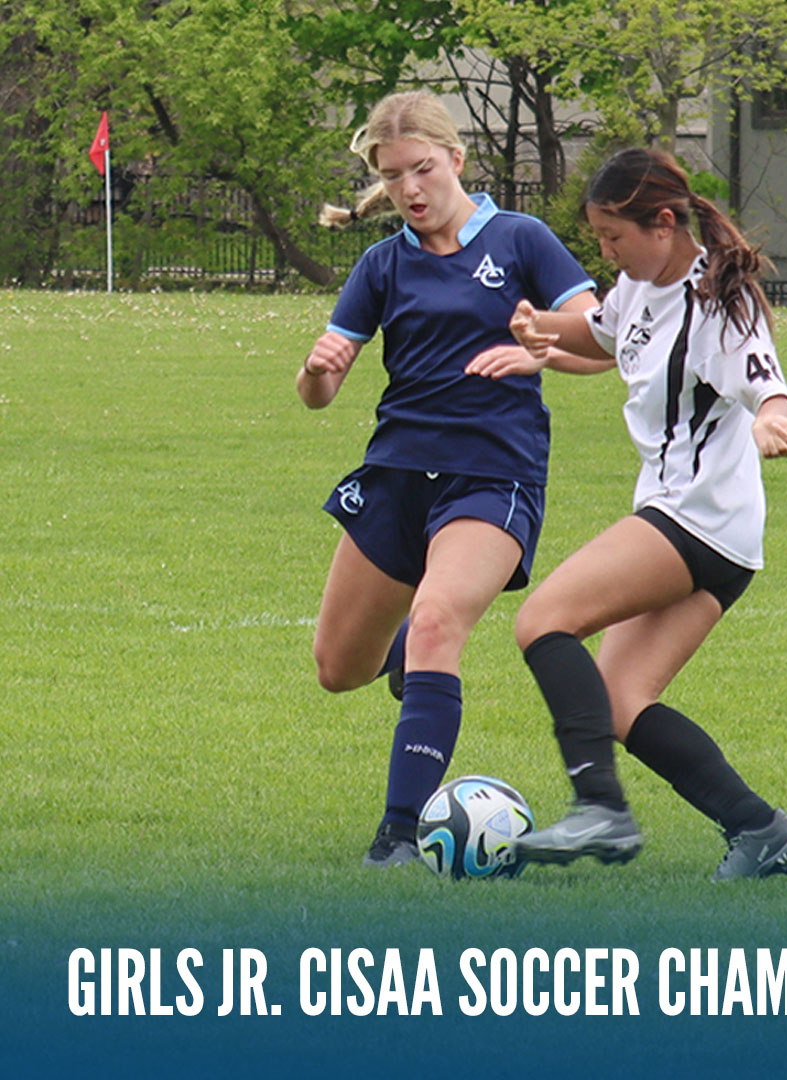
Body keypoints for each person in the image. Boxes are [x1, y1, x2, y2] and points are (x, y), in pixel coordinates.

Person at [466, 147, 787, 881]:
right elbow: (603, 336)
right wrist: (541, 340)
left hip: (695, 518)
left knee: (542, 619)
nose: (605, 252)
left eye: (613, 236)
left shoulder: (720, 302)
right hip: (718, 536)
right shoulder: (637, 284)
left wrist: (774, 421)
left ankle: (600, 809)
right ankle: (760, 829)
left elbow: (765, 383)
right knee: (620, 701)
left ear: (662, 222)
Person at [298, 91, 599, 868]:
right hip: (397, 474)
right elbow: (319, 393)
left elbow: (605, 340)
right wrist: (317, 373)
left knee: (436, 622)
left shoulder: (522, 240)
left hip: (493, 475)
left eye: (422, 169)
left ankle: (399, 834)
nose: (410, 189)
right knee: (339, 669)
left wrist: (539, 350)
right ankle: (405, 661)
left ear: (456, 160)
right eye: (394, 176)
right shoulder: (381, 264)